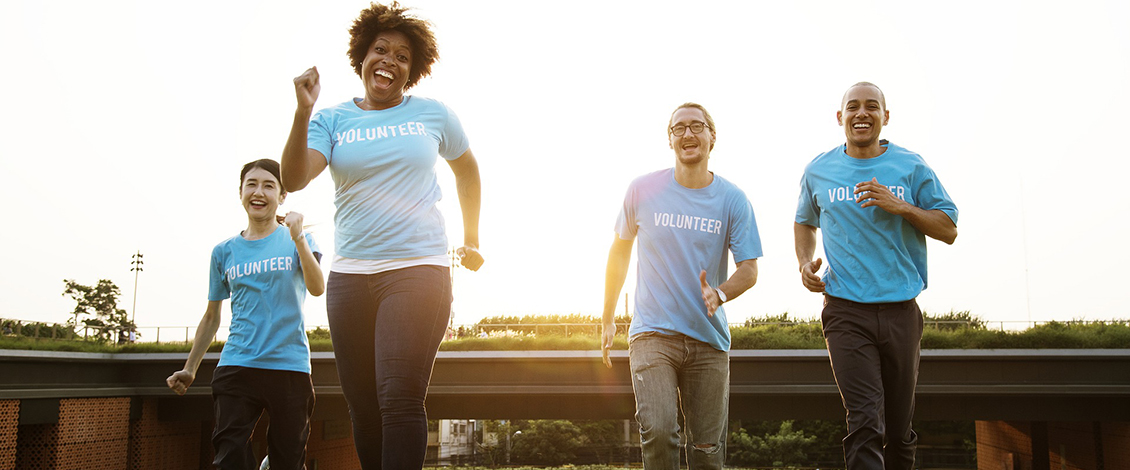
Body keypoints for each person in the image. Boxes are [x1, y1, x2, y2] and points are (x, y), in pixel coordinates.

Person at [280, 3, 484, 468]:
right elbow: (293, 179)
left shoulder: (432, 114)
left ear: (412, 72)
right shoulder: (331, 120)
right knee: (364, 407)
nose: (389, 60)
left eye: (402, 57)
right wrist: (303, 111)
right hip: (350, 276)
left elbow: (468, 171)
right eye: (381, 50)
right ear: (363, 56)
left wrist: (471, 237)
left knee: (398, 398)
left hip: (418, 270)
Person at [794, 82, 959, 470]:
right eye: (853, 107)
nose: (862, 113)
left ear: (886, 117)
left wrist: (900, 206)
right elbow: (804, 222)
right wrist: (804, 261)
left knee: (899, 432)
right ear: (840, 117)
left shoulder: (911, 166)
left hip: (901, 310)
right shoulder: (819, 170)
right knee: (865, 422)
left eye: (872, 107)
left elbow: (949, 228)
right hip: (845, 311)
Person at [601, 102, 762, 470]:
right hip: (652, 335)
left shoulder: (732, 199)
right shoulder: (642, 190)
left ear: (712, 137)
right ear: (670, 139)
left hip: (708, 341)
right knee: (658, 431)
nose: (688, 134)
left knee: (706, 452)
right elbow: (618, 254)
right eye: (679, 128)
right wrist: (608, 316)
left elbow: (749, 269)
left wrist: (720, 293)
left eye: (697, 126)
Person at [166, 159, 325, 470]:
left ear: (282, 196)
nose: (259, 192)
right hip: (238, 364)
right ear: (240, 192)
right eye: (251, 184)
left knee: (288, 461)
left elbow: (317, 287)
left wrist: (298, 238)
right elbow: (212, 317)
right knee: (229, 455)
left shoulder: (297, 240)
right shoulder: (224, 251)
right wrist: (190, 369)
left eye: (269, 185)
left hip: (289, 366)